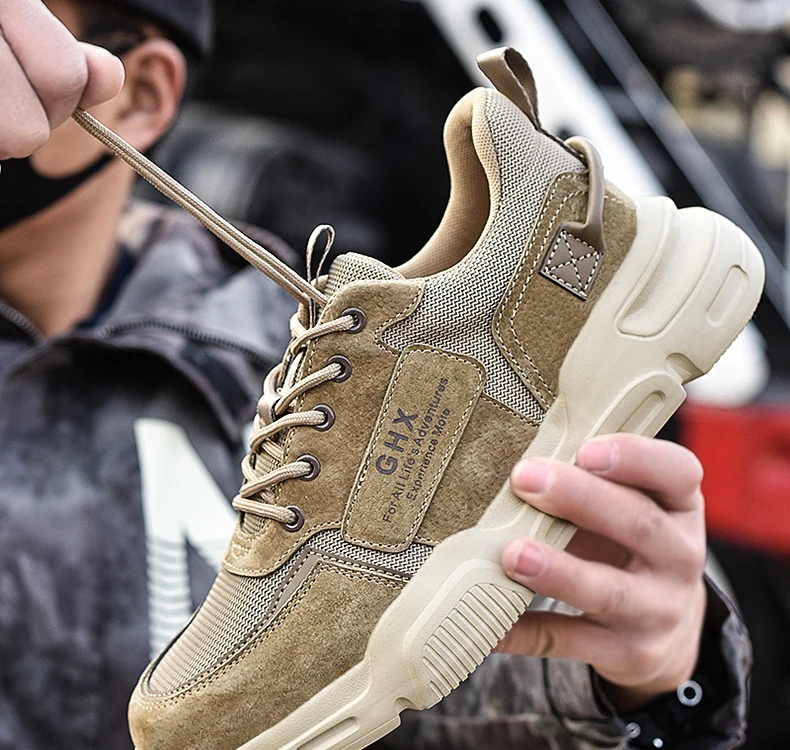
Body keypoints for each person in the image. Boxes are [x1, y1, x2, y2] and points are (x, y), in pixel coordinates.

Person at [0, 1, 750, 749]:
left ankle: (555, 265)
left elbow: (416, 687)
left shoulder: (282, 347)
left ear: (139, 92)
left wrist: (656, 683)